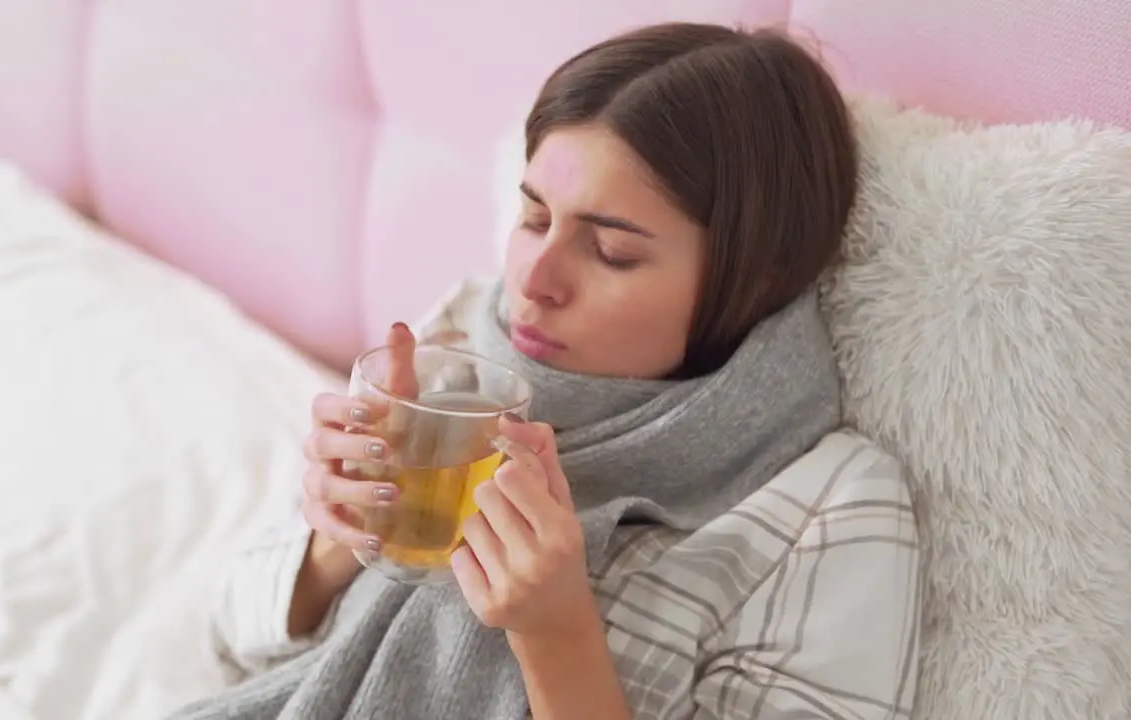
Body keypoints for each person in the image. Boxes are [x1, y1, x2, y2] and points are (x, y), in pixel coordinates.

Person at [175, 21, 919, 720]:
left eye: (612, 252)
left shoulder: (829, 506)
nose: (535, 280)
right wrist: (344, 538)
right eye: (534, 218)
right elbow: (228, 635)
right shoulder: (461, 344)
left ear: (753, 279)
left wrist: (556, 634)